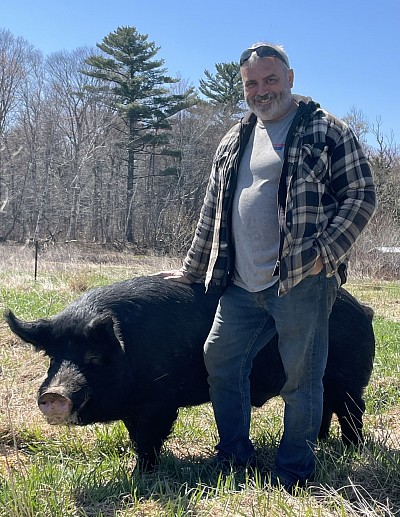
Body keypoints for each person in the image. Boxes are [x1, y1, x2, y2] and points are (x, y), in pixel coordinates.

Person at [157, 43, 376, 491]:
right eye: (251, 83)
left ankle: (294, 469)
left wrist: (326, 253)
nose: (261, 90)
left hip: (302, 280)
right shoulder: (235, 137)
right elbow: (212, 212)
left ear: (290, 78)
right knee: (219, 358)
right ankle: (234, 455)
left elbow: (362, 194)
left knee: (301, 377)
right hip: (240, 281)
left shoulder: (326, 129)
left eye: (270, 79)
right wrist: (190, 269)